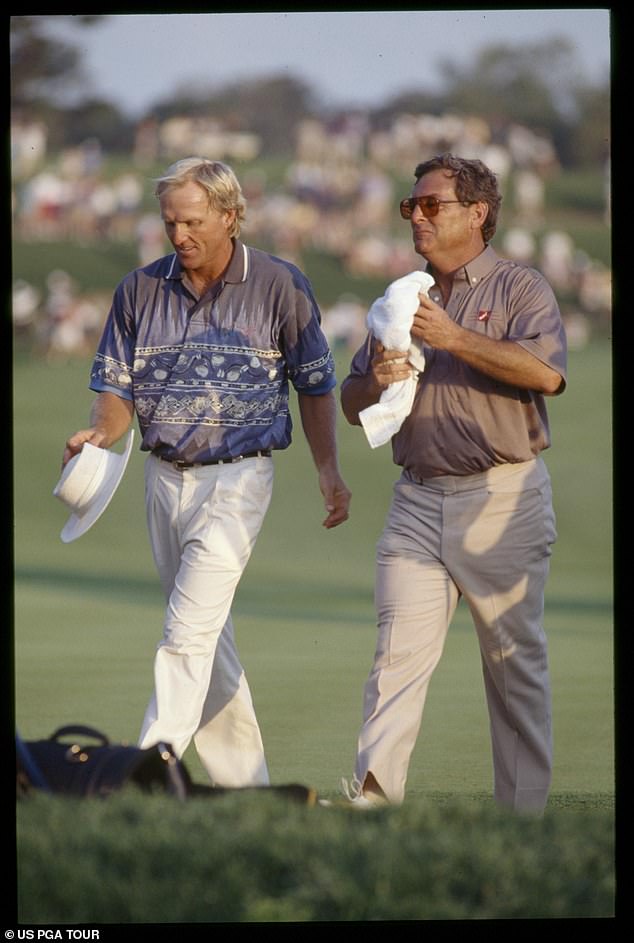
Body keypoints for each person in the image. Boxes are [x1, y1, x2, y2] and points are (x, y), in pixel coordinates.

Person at [62, 157, 351, 789]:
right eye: (170, 221)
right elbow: (116, 390)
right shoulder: (138, 288)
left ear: (230, 215)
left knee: (185, 634)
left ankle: (138, 777)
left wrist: (328, 470)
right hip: (162, 479)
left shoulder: (280, 284)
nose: (179, 234)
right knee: (207, 640)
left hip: (238, 480)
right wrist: (100, 435)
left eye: (193, 221)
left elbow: (315, 386)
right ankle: (248, 789)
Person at [340, 153, 567, 813]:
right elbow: (351, 401)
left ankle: (521, 823)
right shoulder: (402, 295)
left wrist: (455, 337)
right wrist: (373, 380)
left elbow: (546, 374)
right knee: (394, 661)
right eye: (410, 205)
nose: (417, 215)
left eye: (431, 204)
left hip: (503, 496)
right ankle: (374, 803)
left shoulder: (520, 286)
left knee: (513, 668)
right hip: (416, 499)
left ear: (477, 213)